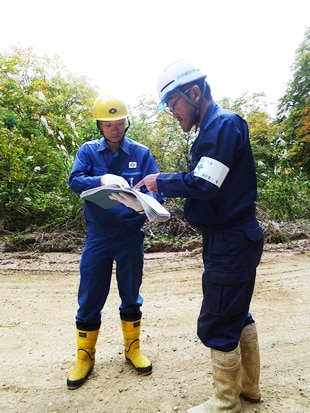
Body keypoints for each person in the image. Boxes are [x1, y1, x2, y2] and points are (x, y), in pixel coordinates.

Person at [135, 60, 264, 412]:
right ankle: (248, 388)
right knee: (237, 311)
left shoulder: (221, 126)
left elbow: (205, 183)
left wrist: (160, 181)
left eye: (173, 104)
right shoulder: (215, 127)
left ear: (194, 93)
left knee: (220, 317)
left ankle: (226, 403)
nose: (172, 113)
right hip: (233, 237)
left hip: (231, 238)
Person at [67, 94, 163, 389]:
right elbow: (74, 180)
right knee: (90, 294)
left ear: (126, 122)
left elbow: (157, 190)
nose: (115, 128)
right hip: (98, 236)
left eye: (119, 122)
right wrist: (100, 180)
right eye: (109, 124)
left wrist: (146, 205)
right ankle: (85, 356)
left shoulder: (141, 153)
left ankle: (133, 349)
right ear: (100, 125)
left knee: (131, 293)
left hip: (130, 236)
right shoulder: (88, 152)